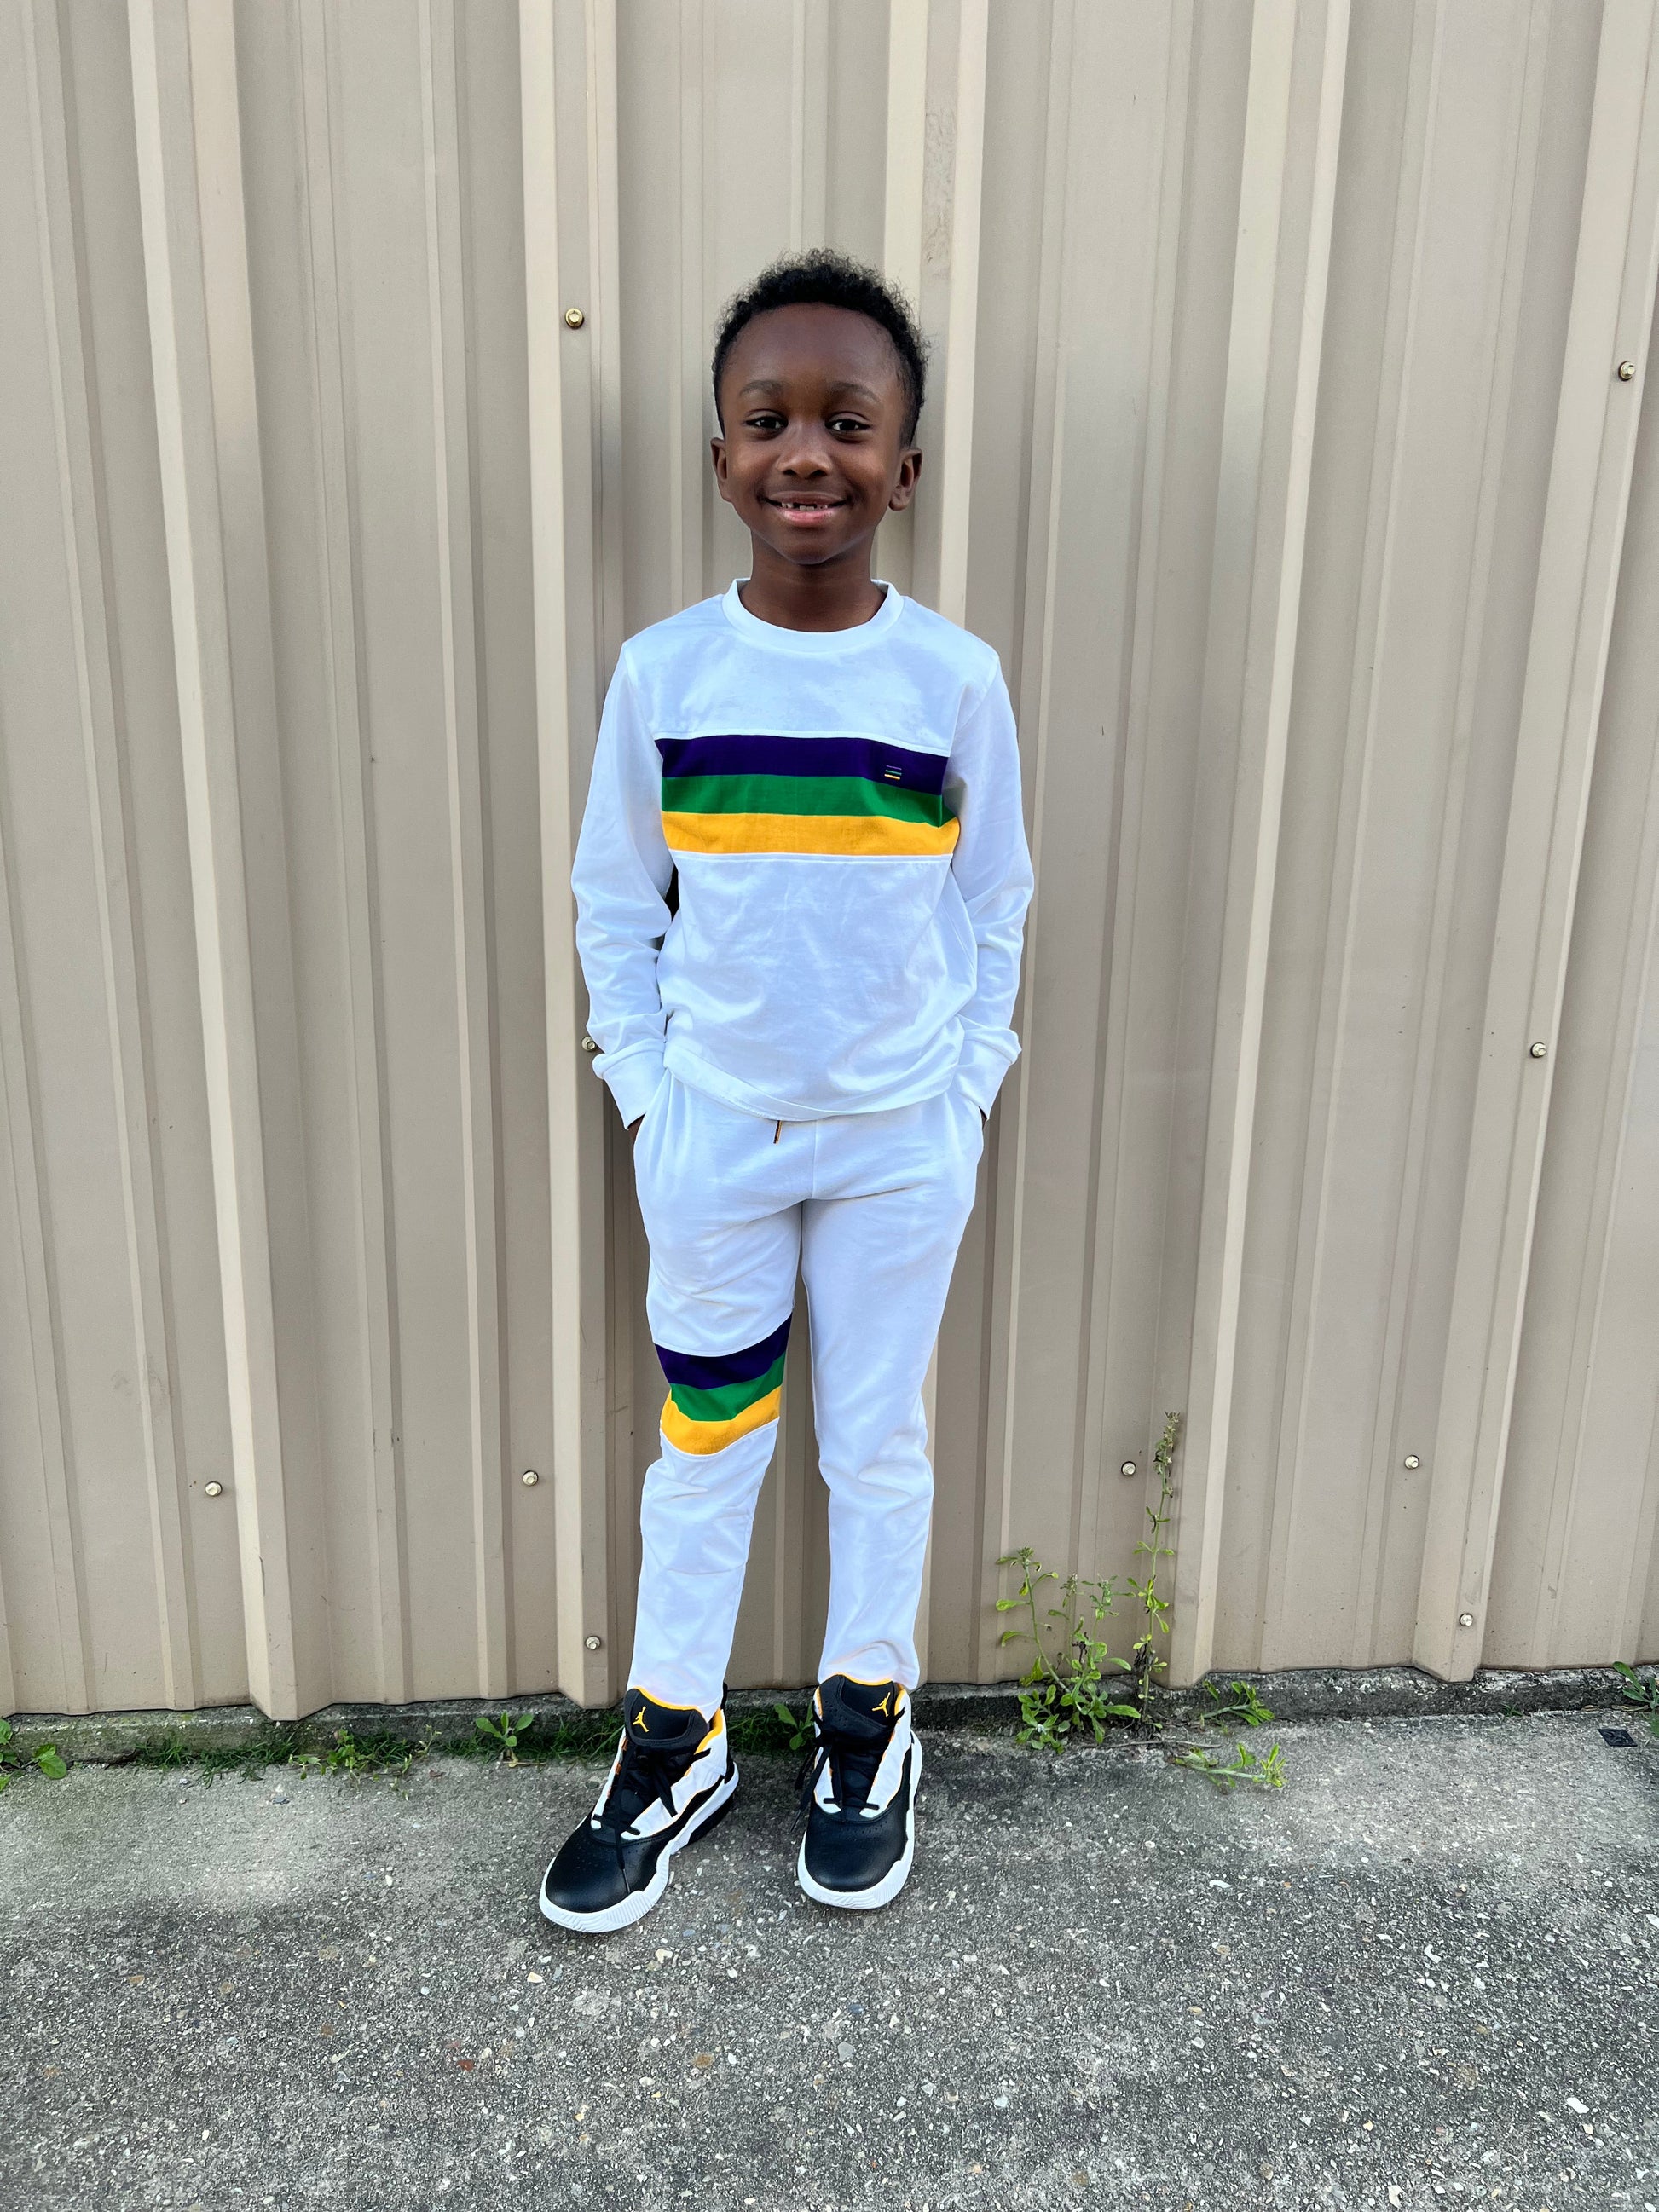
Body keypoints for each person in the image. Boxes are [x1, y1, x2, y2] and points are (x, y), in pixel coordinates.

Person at [541, 249, 1032, 1934]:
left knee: (873, 1442)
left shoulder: (951, 680)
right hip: (716, 1147)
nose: (805, 451)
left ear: (906, 464)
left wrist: (964, 1090)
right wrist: (648, 1094)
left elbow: (992, 903)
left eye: (846, 421)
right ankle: (674, 1736)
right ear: (719, 458)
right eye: (767, 421)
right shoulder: (664, 673)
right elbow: (615, 902)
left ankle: (865, 1718)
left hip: (899, 1148)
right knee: (708, 1443)